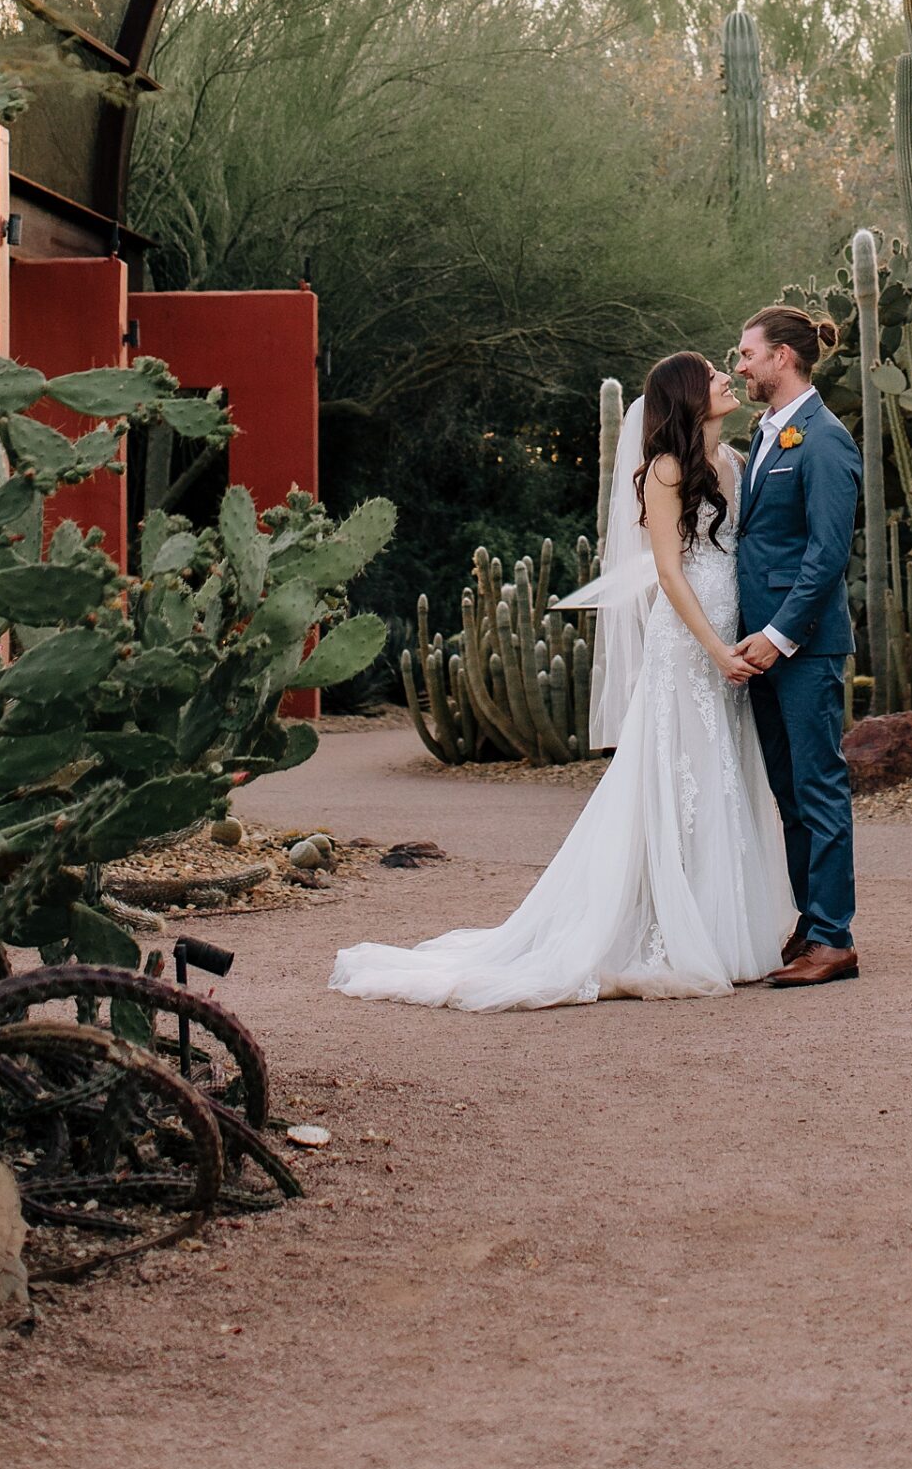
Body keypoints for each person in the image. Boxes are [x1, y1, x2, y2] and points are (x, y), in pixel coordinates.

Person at [327, 351, 797, 1011]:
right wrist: (716, 648)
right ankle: (669, 934)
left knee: (721, 779)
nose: (727, 378)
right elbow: (669, 573)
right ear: (689, 397)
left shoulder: (738, 463)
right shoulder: (664, 471)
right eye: (715, 375)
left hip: (730, 638)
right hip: (688, 643)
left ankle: (723, 928)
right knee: (683, 781)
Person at [729, 305, 864, 987]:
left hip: (801, 648)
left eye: (748, 353)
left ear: (783, 356)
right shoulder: (767, 436)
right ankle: (811, 925)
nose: (740, 365)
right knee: (788, 793)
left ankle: (834, 939)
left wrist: (778, 637)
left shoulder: (825, 439)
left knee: (817, 787)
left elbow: (826, 553)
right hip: (759, 648)